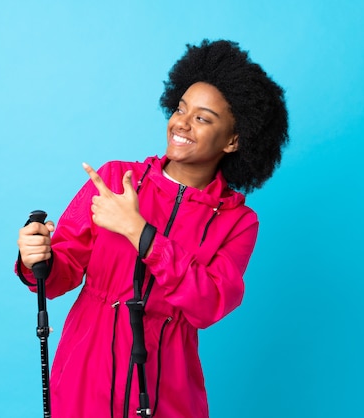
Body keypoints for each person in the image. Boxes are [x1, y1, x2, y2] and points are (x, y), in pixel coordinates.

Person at [16, 39, 289, 418]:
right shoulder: (114, 179)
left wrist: (141, 233)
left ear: (233, 140)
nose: (182, 123)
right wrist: (35, 258)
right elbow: (59, 275)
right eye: (181, 108)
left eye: (203, 118)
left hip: (169, 387)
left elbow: (207, 304)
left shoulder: (237, 222)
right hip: (85, 374)